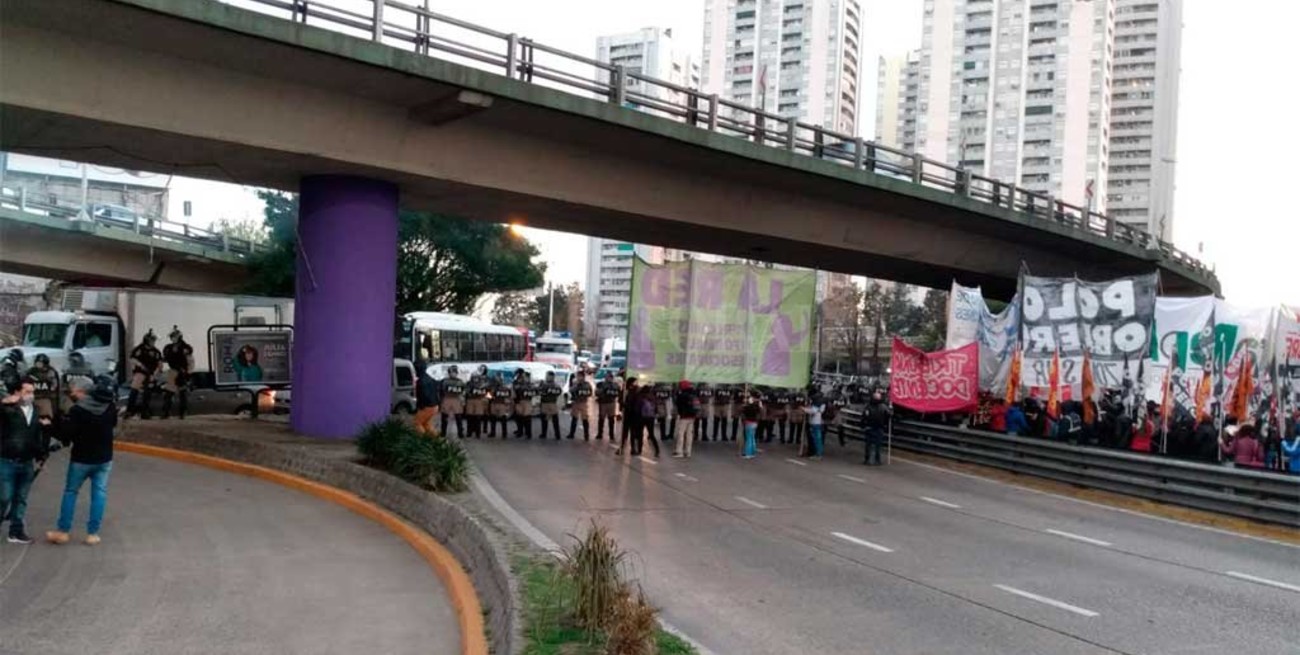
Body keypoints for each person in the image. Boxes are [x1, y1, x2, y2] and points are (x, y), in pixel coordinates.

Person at [45, 378, 117, 546]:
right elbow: (113, 424)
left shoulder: (78, 410)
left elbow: (66, 435)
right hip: (105, 458)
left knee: (71, 492)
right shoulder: (110, 407)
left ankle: (63, 531)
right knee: (99, 494)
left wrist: (50, 426)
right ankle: (93, 533)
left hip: (81, 458)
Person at [1, 382, 51, 544]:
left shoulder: (35, 412)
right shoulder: (7, 410)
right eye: (27, 391)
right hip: (7, 460)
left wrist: (41, 456)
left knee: (21, 498)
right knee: (4, 497)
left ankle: (16, 531)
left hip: (26, 462)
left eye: (32, 392)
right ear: (17, 392)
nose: (30, 395)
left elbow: (36, 437)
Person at [126, 330, 163, 419]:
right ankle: (129, 411)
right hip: (140, 373)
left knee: (148, 394)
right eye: (152, 340)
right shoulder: (139, 349)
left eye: (154, 340)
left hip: (151, 374)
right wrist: (140, 365)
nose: (154, 342)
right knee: (134, 391)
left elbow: (159, 364)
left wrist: (155, 374)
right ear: (147, 340)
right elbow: (131, 359)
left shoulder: (156, 352)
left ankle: (145, 412)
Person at [161, 326, 194, 420]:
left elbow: (190, 361)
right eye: (171, 336)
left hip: (182, 372)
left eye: (174, 336)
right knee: (168, 393)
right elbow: (166, 359)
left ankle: (182, 413)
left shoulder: (186, 347)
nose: (172, 338)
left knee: (183, 394)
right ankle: (166, 412)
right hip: (172, 371)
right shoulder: (168, 347)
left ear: (179, 336)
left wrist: (188, 373)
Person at [26, 353, 60, 424]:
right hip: (33, 399)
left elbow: (54, 387)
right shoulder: (31, 371)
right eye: (37, 362)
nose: (38, 365)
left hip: (46, 399)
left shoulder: (51, 372)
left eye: (40, 363)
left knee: (47, 418)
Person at [673, 380, 700, 458]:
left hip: (684, 417)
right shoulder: (693, 394)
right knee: (689, 435)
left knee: (681, 434)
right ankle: (688, 452)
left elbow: (678, 404)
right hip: (692, 416)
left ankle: (679, 451)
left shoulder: (682, 395)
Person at [413, 360, 440, 436]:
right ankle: (436, 440)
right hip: (434, 405)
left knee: (417, 423)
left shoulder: (420, 381)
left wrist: (419, 406)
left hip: (427, 406)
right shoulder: (430, 378)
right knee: (426, 423)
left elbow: (423, 396)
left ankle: (423, 440)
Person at [863, 390, 890, 466]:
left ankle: (868, 459)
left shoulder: (869, 406)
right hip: (878, 427)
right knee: (877, 445)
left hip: (871, 427)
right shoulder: (883, 407)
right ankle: (876, 460)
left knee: (869, 444)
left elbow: (864, 416)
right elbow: (888, 416)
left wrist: (863, 425)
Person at [439, 366, 466, 438]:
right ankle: (443, 432)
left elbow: (463, 391)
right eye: (451, 372)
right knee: (444, 417)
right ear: (449, 373)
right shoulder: (444, 381)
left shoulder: (460, 382)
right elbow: (441, 391)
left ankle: (460, 433)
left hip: (457, 399)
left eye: (454, 372)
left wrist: (462, 400)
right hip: (447, 399)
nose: (453, 374)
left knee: (458, 417)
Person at [616, 377, 640, 456]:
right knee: (624, 432)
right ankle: (621, 447)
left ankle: (633, 448)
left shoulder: (637, 391)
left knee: (633, 433)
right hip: (627, 414)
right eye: (635, 382)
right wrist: (623, 405)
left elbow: (637, 402)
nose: (636, 383)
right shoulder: (625, 391)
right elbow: (620, 399)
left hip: (634, 414)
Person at [567, 370, 593, 440]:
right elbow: (571, 390)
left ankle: (586, 435)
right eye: (578, 376)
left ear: (583, 377)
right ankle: (571, 434)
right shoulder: (575, 383)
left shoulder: (587, 384)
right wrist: (576, 385)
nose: (578, 378)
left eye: (580, 376)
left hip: (583, 402)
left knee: (585, 419)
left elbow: (590, 393)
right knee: (574, 418)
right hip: (576, 402)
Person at [636, 385, 660, 458]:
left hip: (642, 418)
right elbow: (656, 408)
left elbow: (637, 408)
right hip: (650, 418)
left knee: (640, 434)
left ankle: (639, 450)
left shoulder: (640, 397)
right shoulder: (652, 397)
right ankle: (657, 450)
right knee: (651, 434)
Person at [465, 367, 490, 439]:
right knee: (471, 417)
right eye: (474, 377)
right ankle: (470, 432)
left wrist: (487, 399)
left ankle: (477, 433)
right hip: (471, 400)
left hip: (479, 400)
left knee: (477, 417)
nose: (475, 379)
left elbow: (488, 393)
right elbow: (466, 392)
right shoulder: (469, 384)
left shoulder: (483, 384)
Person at [538, 371, 563, 440]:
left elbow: (540, 392)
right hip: (553, 403)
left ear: (550, 377)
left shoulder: (545, 385)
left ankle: (544, 434)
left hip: (545, 403)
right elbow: (559, 392)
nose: (546, 377)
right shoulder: (557, 386)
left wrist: (540, 386)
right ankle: (557, 435)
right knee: (555, 421)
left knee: (544, 420)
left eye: (547, 376)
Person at [595, 372, 620, 440]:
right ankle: (600, 433)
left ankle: (611, 434)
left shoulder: (615, 385)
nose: (609, 378)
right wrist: (603, 390)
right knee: (601, 419)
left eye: (610, 377)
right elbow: (597, 392)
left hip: (611, 403)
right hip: (603, 403)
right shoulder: (601, 384)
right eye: (607, 377)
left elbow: (618, 392)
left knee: (611, 419)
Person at [512, 370, 535, 439]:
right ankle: (520, 431)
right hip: (518, 401)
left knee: (526, 417)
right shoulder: (516, 381)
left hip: (525, 401)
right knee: (518, 417)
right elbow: (514, 389)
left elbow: (531, 391)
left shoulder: (527, 383)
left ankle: (527, 433)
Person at [803, 393, 826, 459]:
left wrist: (804, 409)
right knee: (818, 439)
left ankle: (818, 454)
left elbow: (812, 411)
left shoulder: (817, 405)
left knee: (817, 439)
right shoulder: (822, 405)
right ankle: (818, 453)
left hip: (815, 423)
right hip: (817, 422)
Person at [739, 391, 761, 459]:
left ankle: (748, 453)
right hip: (755, 423)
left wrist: (744, 406)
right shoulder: (758, 406)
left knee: (748, 438)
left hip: (749, 422)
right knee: (752, 438)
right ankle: (752, 452)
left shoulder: (750, 407)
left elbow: (744, 411)